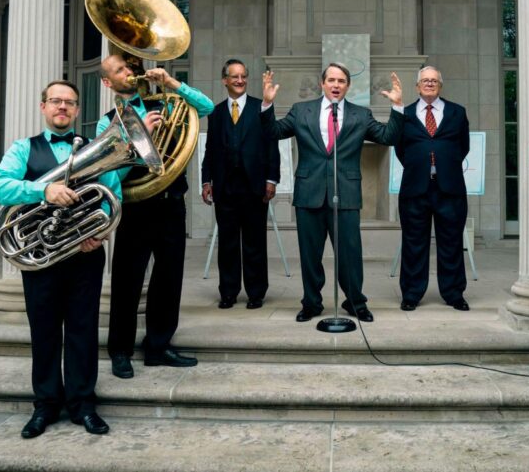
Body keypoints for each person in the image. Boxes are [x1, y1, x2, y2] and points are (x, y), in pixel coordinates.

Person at [0, 80, 116, 438]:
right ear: (43, 106)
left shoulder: (97, 149)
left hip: (85, 254)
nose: (62, 108)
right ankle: (45, 405)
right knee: (43, 332)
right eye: (56, 101)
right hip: (40, 257)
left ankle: (83, 405)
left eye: (70, 103)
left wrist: (98, 231)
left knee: (83, 330)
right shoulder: (22, 149)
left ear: (77, 110)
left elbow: (112, 195)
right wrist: (42, 189)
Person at [98, 54, 214, 379]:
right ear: (108, 83)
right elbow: (107, 175)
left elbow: (207, 108)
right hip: (136, 208)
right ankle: (120, 351)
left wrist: (172, 83)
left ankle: (158, 346)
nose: (128, 72)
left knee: (168, 279)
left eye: (129, 67)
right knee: (127, 281)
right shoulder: (107, 120)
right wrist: (137, 140)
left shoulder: (164, 103)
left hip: (171, 203)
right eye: (120, 70)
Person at [260, 63, 404, 323]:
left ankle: (355, 302)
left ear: (348, 86)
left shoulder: (360, 114)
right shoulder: (301, 110)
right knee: (310, 254)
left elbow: (388, 137)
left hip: (346, 194)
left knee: (349, 253)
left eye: (341, 81)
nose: (336, 85)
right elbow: (273, 132)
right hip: (309, 193)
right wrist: (267, 105)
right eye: (331, 80)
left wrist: (398, 107)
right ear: (322, 83)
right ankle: (312, 303)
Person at [201, 59, 280, 310]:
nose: (239, 80)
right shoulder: (215, 112)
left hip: (255, 187)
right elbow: (210, 150)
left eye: (243, 76)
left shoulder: (262, 107)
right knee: (228, 243)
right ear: (225, 80)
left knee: (255, 242)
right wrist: (206, 181)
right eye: (234, 76)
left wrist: (271, 179)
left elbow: (271, 145)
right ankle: (228, 292)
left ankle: (256, 292)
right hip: (225, 187)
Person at [395, 66, 470, 312]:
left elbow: (463, 147)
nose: (429, 84)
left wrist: (443, 163)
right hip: (415, 189)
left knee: (451, 243)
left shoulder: (457, 113)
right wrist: (421, 165)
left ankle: (453, 293)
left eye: (434, 81)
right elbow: (400, 149)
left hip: (450, 188)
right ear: (417, 86)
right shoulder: (404, 114)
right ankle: (411, 294)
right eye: (425, 81)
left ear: (440, 85)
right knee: (414, 243)